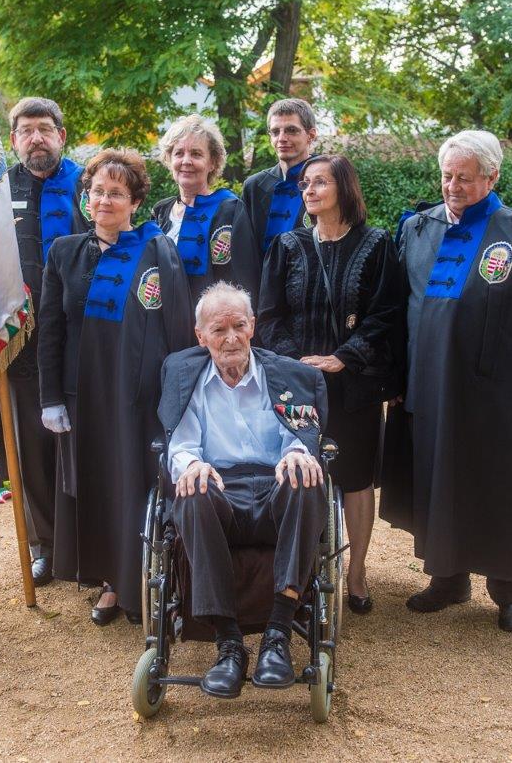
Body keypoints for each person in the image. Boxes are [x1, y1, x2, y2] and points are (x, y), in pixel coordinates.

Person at [380, 130, 512, 632]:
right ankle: (447, 577)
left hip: (501, 392)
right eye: (447, 176)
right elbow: (399, 306)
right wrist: (396, 374)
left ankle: (510, 592)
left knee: (504, 482)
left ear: (492, 176)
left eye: (464, 177)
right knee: (437, 477)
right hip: (429, 384)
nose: (452, 186)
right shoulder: (416, 228)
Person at [38, 148, 195, 624]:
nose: (104, 201)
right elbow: (50, 329)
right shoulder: (64, 252)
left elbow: (178, 327)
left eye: (116, 193)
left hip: (137, 395)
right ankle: (110, 582)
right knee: (98, 485)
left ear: (134, 201)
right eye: (97, 192)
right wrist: (49, 398)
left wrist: (177, 398)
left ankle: (145, 581)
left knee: (136, 484)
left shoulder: (157, 251)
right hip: (80, 394)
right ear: (85, 197)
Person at [160, 283, 328, 699]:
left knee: (306, 479)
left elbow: (303, 434)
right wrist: (193, 466)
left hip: (275, 489)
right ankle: (229, 644)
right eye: (219, 330)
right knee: (191, 491)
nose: (231, 338)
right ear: (200, 336)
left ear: (253, 326)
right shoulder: (186, 376)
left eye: (239, 325)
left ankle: (277, 633)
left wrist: (297, 452)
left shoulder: (287, 375)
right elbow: (179, 446)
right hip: (220, 491)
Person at [257, 154, 403, 615]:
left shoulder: (377, 244)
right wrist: (296, 361)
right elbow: (269, 314)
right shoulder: (287, 244)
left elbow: (386, 314)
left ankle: (355, 573)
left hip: (353, 384)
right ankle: (296, 574)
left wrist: (344, 357)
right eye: (305, 183)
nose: (309, 190)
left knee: (355, 479)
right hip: (297, 385)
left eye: (320, 182)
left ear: (344, 187)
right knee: (295, 474)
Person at [0, 97, 90, 588]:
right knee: (31, 447)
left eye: (44, 129)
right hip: (19, 342)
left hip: (81, 338)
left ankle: (89, 540)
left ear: (61, 135)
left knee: (81, 441)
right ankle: (46, 545)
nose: (36, 138)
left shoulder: (89, 182)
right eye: (26, 130)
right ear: (13, 140)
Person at [152, 115, 262, 301]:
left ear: (212, 162)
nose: (186, 161)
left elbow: (244, 279)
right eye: (179, 153)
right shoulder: (161, 211)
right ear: (169, 159)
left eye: (196, 154)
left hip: (213, 320)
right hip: (165, 322)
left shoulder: (230, 209)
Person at [241, 98, 322, 258]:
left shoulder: (330, 181)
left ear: (311, 135)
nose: (282, 138)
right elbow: (245, 249)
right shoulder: (254, 186)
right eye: (275, 131)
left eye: (291, 130)